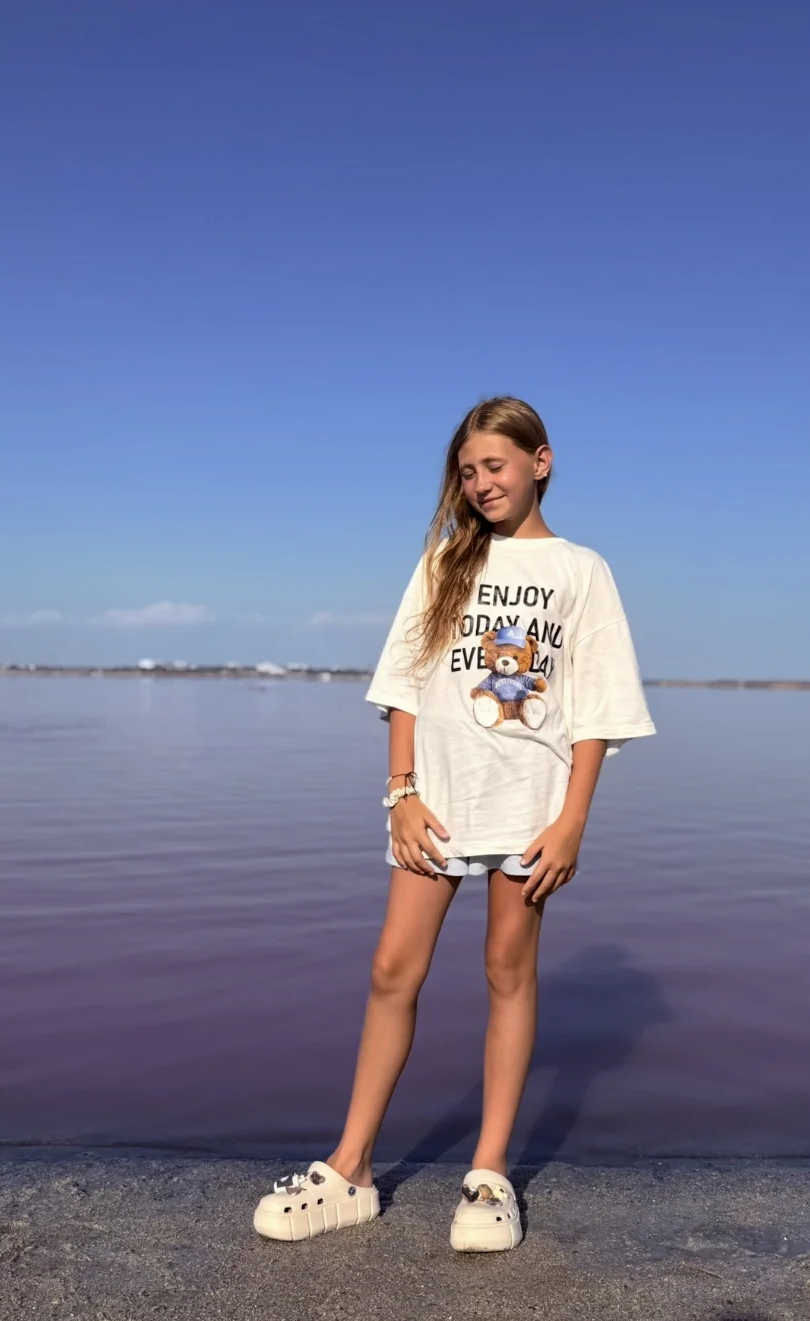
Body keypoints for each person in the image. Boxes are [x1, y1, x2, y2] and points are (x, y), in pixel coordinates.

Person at [253, 396, 656, 1250]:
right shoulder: (444, 560)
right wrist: (400, 793)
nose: (480, 484)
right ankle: (352, 1169)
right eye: (467, 472)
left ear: (541, 462)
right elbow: (404, 682)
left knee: (508, 968)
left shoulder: (583, 570)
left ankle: (489, 1175)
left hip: (531, 803)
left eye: (495, 466)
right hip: (435, 800)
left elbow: (597, 707)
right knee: (392, 967)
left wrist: (574, 820)